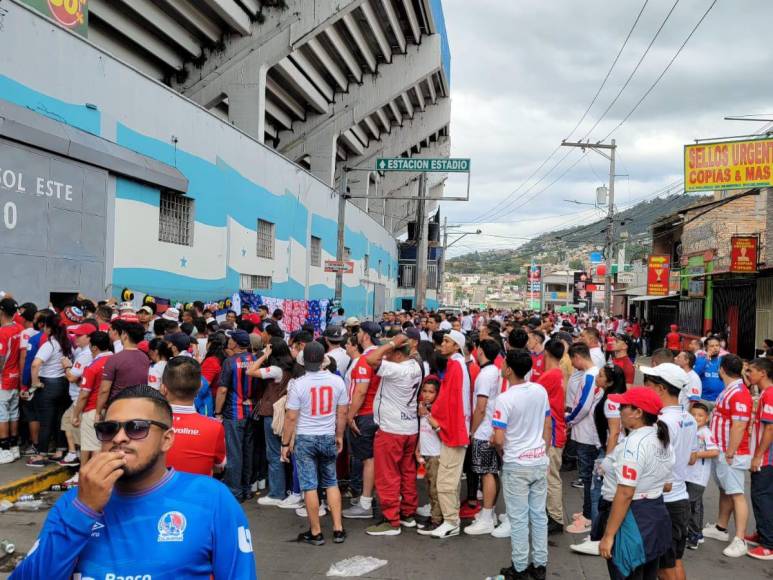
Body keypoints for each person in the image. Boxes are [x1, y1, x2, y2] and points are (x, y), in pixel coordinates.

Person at [10, 385, 256, 579]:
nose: (119, 438)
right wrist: (83, 512)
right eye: (108, 429)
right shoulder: (74, 503)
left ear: (167, 440)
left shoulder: (213, 499)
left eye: (136, 428)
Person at [596, 388, 674, 580]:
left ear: (638, 413)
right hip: (654, 514)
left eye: (623, 406)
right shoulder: (660, 436)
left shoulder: (635, 443)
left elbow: (625, 493)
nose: (619, 410)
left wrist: (609, 536)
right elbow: (667, 484)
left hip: (631, 518)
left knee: (626, 573)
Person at [491, 349, 550, 580]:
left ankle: (519, 567)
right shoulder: (539, 390)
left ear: (508, 370)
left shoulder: (505, 398)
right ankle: (540, 565)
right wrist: (542, 450)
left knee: (518, 518)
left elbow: (498, 438)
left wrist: (501, 448)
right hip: (538, 460)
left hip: (516, 463)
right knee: (538, 516)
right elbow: (547, 423)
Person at [281, 341, 347, 546]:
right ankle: (338, 528)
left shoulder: (299, 384)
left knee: (309, 485)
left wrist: (285, 443)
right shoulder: (337, 381)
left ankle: (316, 532)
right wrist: (339, 435)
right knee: (331, 482)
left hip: (305, 438)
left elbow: (291, 417)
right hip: (327, 435)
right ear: (322, 360)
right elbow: (342, 412)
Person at [362, 333, 423, 536]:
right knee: (407, 473)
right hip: (410, 428)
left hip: (392, 430)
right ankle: (407, 513)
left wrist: (391, 343)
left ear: (397, 354)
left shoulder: (397, 369)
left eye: (389, 353)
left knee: (387, 474)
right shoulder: (416, 365)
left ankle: (391, 520)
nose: (385, 356)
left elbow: (370, 359)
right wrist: (394, 346)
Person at [641, 363, 695, 580]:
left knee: (664, 568)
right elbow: (690, 457)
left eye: (649, 384)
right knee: (674, 562)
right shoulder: (688, 418)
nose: (645, 388)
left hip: (664, 501)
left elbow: (653, 463)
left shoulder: (662, 421)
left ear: (661, 388)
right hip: (680, 498)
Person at [421, 330, 471, 539]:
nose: (443, 344)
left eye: (447, 341)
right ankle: (451, 519)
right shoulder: (457, 364)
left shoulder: (455, 366)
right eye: (443, 341)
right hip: (454, 429)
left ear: (457, 346)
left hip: (453, 431)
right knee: (449, 480)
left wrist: (435, 419)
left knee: (445, 481)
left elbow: (451, 401)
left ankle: (451, 521)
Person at [702, 354, 752, 558]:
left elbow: (739, 425)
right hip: (723, 449)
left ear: (722, 369)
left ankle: (739, 539)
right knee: (726, 490)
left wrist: (730, 451)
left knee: (736, 493)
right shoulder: (732, 390)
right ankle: (721, 528)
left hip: (731, 452)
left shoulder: (738, 392)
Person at [343, 321, 383, 520]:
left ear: (365, 335)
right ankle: (368, 499)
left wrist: (350, 416)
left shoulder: (365, 360)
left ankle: (365, 502)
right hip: (377, 413)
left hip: (365, 414)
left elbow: (360, 391)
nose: (356, 335)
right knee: (371, 458)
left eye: (358, 331)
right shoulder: (382, 356)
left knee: (368, 459)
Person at [247, 339, 294, 506]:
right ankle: (287, 489)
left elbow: (250, 371)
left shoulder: (275, 370)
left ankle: (276, 493)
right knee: (285, 451)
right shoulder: (292, 365)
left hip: (272, 414)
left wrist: (263, 356)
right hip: (286, 413)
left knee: (274, 454)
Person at [464, 339, 503, 536]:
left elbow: (481, 407)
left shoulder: (485, 375)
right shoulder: (494, 371)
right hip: (491, 428)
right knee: (492, 472)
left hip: (483, 430)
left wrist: (472, 431)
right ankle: (490, 513)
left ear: (480, 350)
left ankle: (487, 516)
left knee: (486, 473)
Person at [161, 357, 226, 476]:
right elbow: (219, 466)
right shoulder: (214, 427)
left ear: (163, 388)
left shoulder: (148, 424)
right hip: (198, 492)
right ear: (199, 388)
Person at [215, 329, 258, 502]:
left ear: (235, 343)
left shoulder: (229, 362)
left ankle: (234, 491)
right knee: (248, 452)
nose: (229, 342)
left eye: (231, 339)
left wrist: (217, 412)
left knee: (234, 453)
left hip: (234, 413)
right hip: (251, 411)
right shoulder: (255, 360)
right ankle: (246, 488)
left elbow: (223, 389)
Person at [27, 313, 73, 467]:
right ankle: (60, 450)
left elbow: (35, 364)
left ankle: (41, 455)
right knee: (59, 419)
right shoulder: (66, 344)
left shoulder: (50, 344)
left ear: (49, 328)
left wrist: (35, 382)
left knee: (46, 422)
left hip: (48, 385)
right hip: (63, 384)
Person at [565, 343, 601, 534]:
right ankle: (588, 511)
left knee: (588, 477)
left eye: (572, 360)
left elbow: (583, 404)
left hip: (587, 433)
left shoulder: (589, 375)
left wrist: (569, 419)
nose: (572, 364)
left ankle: (589, 516)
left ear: (578, 356)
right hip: (586, 431)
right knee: (588, 476)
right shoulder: (592, 374)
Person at [537, 338, 567, 535]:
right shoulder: (559, 373)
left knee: (551, 477)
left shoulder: (550, 376)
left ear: (546, 353)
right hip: (556, 430)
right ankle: (552, 514)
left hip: (553, 433)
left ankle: (555, 517)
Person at [71, 331, 112, 467]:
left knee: (91, 446)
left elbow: (83, 395)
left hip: (92, 410)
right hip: (111, 409)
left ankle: (85, 475)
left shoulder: (92, 367)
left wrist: (76, 414)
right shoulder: (115, 360)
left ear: (94, 347)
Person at [58, 323, 97, 467]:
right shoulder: (82, 351)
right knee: (70, 424)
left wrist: (67, 366)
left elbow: (72, 378)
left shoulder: (86, 354)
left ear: (89, 338)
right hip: (79, 396)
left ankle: (76, 457)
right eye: (76, 334)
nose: (76, 338)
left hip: (81, 397)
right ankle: (75, 454)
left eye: (80, 335)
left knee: (72, 424)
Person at [747, 357, 773, 560]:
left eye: (751, 371)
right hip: (765, 455)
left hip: (767, 457)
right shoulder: (765, 393)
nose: (748, 375)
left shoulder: (770, 394)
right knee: (763, 495)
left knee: (761, 495)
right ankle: (763, 533)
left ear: (762, 373)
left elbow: (770, 427)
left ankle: (768, 544)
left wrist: (758, 456)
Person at [96, 321, 150, 417]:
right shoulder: (145, 358)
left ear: (125, 335)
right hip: (139, 407)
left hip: (117, 407)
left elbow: (104, 389)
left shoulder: (114, 359)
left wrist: (98, 412)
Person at [684, 403, 719, 550]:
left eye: (700, 415)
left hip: (698, 477)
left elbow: (714, 451)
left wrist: (695, 454)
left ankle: (694, 536)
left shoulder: (705, 433)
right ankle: (696, 533)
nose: (696, 418)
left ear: (706, 418)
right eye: (693, 415)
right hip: (687, 475)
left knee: (691, 506)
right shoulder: (689, 430)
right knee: (695, 505)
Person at [416, 376, 443, 535]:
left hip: (436, 454)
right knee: (429, 486)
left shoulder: (436, 409)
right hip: (426, 452)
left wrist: (427, 414)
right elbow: (422, 430)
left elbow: (438, 429)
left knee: (435, 488)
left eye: (431, 392)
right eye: (424, 391)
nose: (426, 395)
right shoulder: (422, 406)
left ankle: (437, 520)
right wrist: (418, 448)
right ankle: (434, 514)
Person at [0, 298, 23, 463]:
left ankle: (4, 449)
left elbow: (0, 358)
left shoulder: (2, 332)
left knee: (2, 415)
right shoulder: (19, 328)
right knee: (14, 413)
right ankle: (14, 448)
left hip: (4, 378)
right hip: (16, 377)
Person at [694, 335, 724, 404]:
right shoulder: (700, 359)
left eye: (717, 345)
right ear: (706, 348)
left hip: (720, 400)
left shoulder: (723, 361)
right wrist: (706, 359)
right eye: (712, 346)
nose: (715, 348)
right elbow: (695, 374)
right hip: (704, 399)